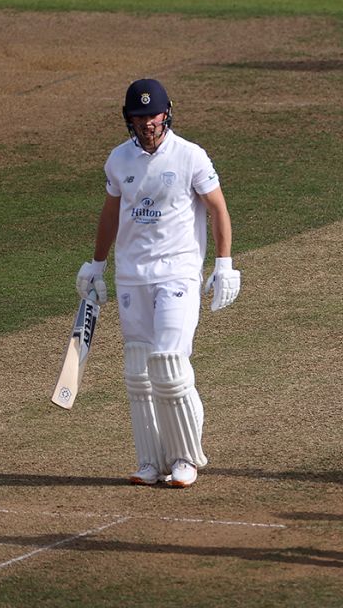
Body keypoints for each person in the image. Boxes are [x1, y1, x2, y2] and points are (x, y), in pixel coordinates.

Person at [76, 78, 240, 489]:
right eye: (139, 116)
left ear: (167, 113)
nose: (147, 123)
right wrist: (96, 265)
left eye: (153, 115)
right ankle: (151, 461)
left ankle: (186, 458)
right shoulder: (118, 160)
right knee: (139, 372)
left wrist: (224, 264)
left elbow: (218, 209)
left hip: (178, 273)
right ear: (128, 119)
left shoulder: (190, 156)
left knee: (169, 364)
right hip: (133, 276)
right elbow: (111, 214)